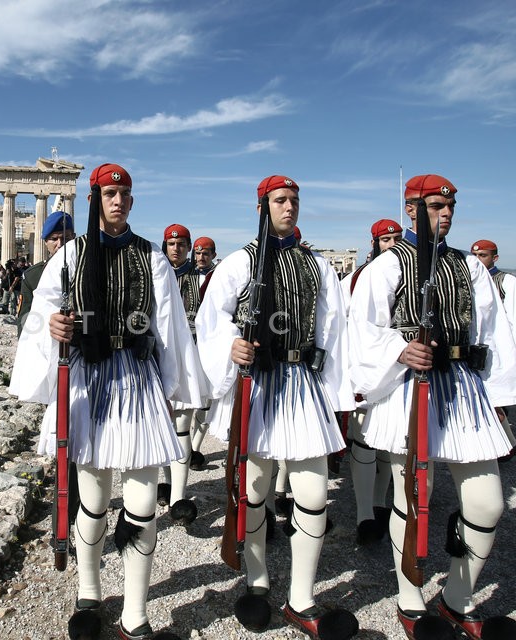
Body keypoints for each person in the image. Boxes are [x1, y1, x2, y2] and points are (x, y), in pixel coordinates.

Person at [10, 163, 203, 640]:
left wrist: (176, 389)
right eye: (109, 193)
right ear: (96, 199)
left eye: (124, 194)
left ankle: (136, 613)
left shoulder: (152, 259)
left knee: (141, 504)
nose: (117, 200)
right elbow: (41, 314)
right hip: (88, 382)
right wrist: (54, 328)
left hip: (137, 382)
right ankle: (90, 591)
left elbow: (171, 329)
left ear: (132, 203)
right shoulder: (70, 256)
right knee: (93, 501)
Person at [347, 174, 516, 639]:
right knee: (412, 499)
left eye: (450, 207)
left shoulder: (470, 267)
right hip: (410, 388)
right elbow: (362, 331)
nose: (445, 214)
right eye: (434, 207)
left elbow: (492, 334)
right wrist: (399, 348)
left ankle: (457, 598)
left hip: (464, 388)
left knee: (487, 504)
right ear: (410, 210)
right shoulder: (387, 266)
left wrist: (501, 400)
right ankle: (411, 598)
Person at [196, 175, 358, 638]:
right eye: (280, 201)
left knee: (311, 493)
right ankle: (257, 580)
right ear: (262, 207)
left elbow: (332, 331)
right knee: (255, 488)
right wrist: (231, 346)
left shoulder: (317, 265)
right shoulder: (240, 262)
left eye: (294, 201)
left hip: (302, 384)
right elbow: (213, 321)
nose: (289, 208)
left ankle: (302, 597)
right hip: (258, 384)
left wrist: (333, 394)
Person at [341, 218, 402, 546]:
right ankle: (365, 511)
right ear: (374, 243)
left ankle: (380, 502)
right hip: (365, 366)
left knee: (390, 442)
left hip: (402, 371)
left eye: (396, 238)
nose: (391, 244)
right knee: (364, 439)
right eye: (385, 239)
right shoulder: (353, 281)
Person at [470, 239, 516, 461]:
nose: (479, 260)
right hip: (477, 350)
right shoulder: (471, 280)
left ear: (495, 258)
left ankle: (508, 444)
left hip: (498, 352)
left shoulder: (507, 282)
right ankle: (504, 443)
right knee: (482, 400)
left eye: (483, 255)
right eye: (476, 256)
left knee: (492, 401)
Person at [156, 223, 205, 526]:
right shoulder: (154, 275)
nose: (176, 249)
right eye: (171, 244)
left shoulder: (199, 281)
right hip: (157, 358)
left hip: (187, 357)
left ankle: (178, 495)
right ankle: (165, 482)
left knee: (181, 427)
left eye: (182, 245)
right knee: (159, 426)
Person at [16, 211, 75, 337]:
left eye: (66, 238)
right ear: (45, 242)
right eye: (54, 239)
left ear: (74, 238)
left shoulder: (86, 269)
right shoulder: (33, 276)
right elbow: (25, 319)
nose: (60, 244)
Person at [188, 236, 218, 470]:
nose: (200, 258)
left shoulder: (218, 277)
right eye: (197, 253)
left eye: (205, 253)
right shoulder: (185, 275)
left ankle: (196, 449)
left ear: (213, 255)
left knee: (206, 400)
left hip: (208, 343)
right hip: (189, 341)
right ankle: (185, 448)